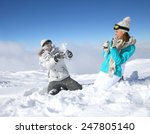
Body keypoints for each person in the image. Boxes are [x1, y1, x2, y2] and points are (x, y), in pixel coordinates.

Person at [94, 17, 136, 90]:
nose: (115, 33)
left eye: (117, 31)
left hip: (114, 73)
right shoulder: (114, 41)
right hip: (104, 70)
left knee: (101, 91)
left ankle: (119, 81)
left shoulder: (130, 47)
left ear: (123, 31)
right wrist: (105, 49)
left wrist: (113, 48)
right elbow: (105, 56)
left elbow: (118, 61)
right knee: (94, 89)